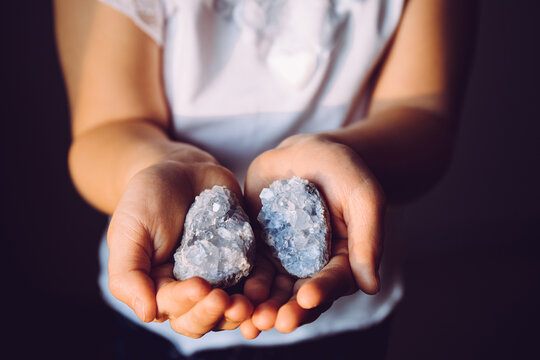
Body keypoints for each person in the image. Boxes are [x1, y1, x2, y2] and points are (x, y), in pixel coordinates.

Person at [54, 0, 476, 358]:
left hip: (342, 314)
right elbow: (104, 129)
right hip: (160, 308)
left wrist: (343, 157)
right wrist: (159, 167)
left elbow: (426, 119)